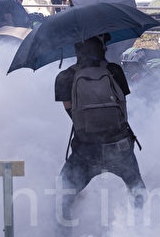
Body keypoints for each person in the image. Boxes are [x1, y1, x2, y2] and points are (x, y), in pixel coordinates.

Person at [54, 35, 146, 235]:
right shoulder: (114, 71)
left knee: (63, 193)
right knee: (137, 190)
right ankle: (142, 229)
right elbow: (122, 104)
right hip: (120, 145)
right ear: (102, 48)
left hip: (86, 150)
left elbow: (71, 113)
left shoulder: (65, 77)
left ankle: (63, 233)